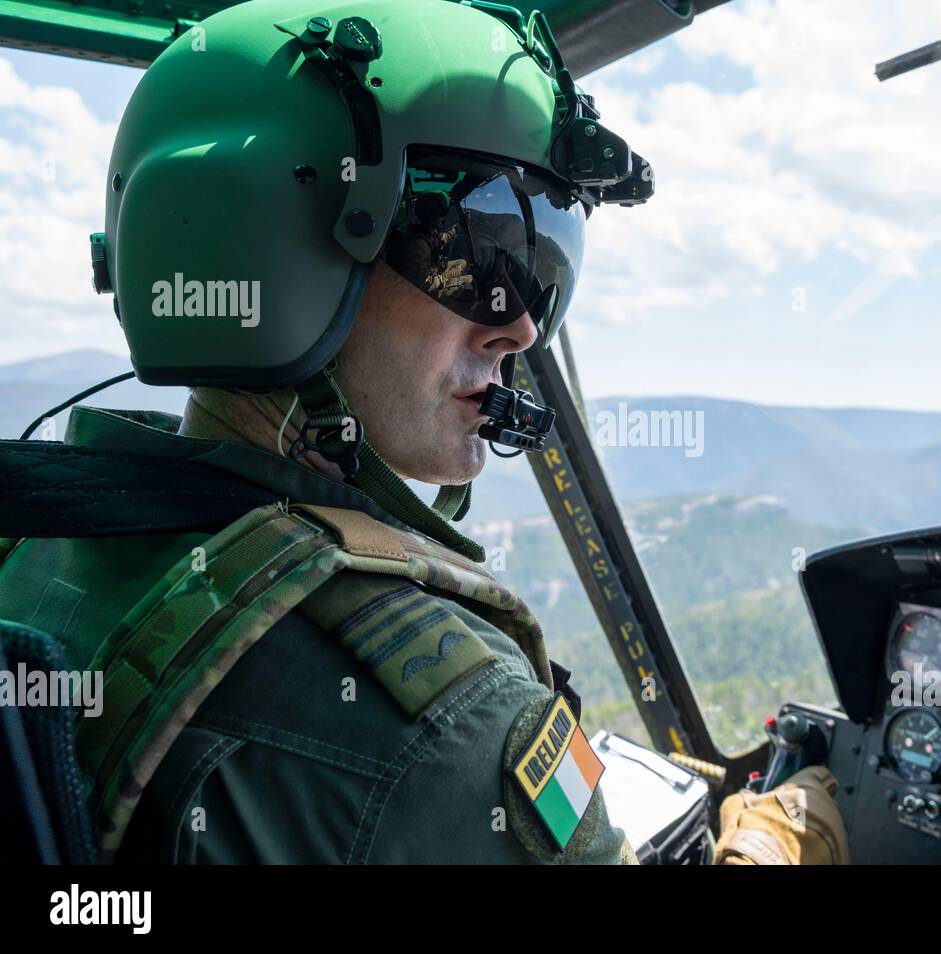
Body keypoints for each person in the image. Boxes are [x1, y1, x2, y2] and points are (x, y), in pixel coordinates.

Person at [0, 0, 847, 864]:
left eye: (547, 262)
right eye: (479, 249)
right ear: (271, 244)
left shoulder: (36, 542)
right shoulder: (453, 727)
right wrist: (778, 841)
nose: (521, 326)